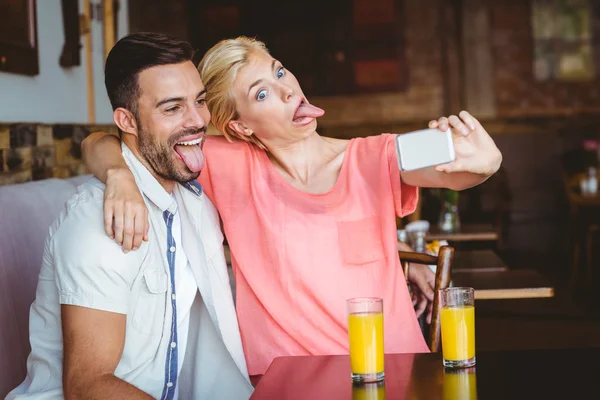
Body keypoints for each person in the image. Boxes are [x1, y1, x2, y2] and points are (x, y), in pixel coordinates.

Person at [82, 36, 503, 377]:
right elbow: (101, 142)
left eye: (279, 71)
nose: (288, 90)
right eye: (262, 92)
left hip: (390, 371)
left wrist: (488, 162)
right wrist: (119, 176)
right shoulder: (229, 165)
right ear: (241, 126)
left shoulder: (374, 156)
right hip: (286, 378)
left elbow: (463, 170)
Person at [7, 33, 253, 400]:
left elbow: (96, 142)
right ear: (127, 120)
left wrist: (117, 171)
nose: (198, 120)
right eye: (172, 108)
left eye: (199, 101)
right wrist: (118, 176)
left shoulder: (192, 199)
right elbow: (88, 386)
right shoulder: (101, 220)